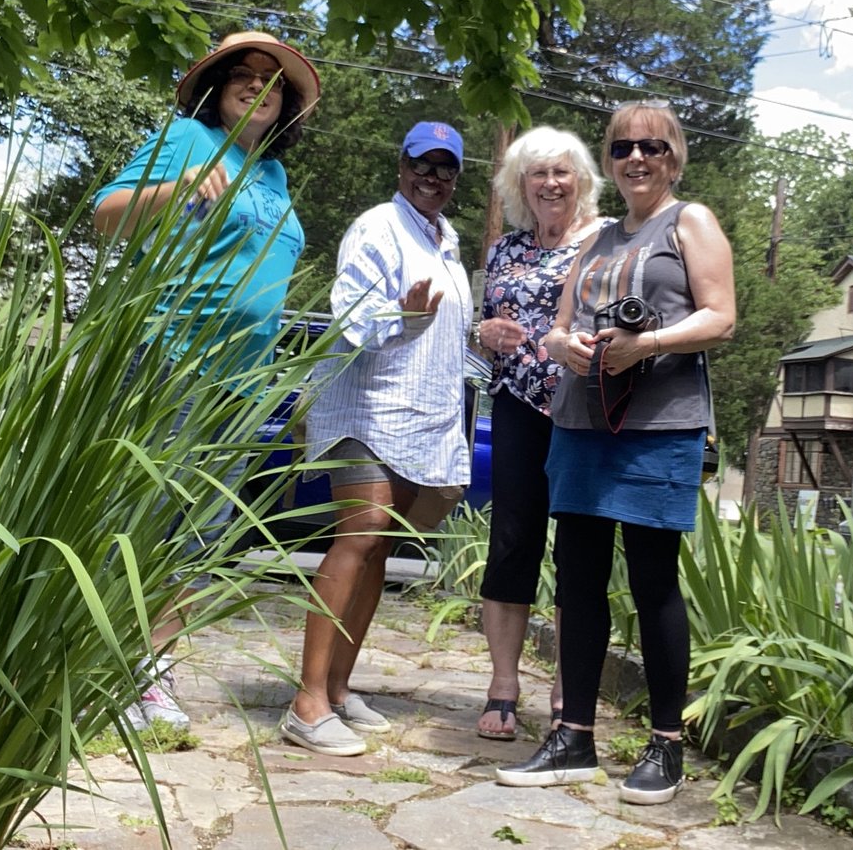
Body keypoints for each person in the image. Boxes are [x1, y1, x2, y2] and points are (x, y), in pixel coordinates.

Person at [495, 100, 735, 804]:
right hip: (581, 423)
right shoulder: (596, 238)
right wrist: (562, 344)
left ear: (674, 157)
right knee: (576, 578)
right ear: (610, 158)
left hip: (660, 425)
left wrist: (648, 344)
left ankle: (666, 745)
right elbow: (560, 326)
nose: (637, 158)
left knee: (653, 580)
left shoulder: (689, 221)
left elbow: (721, 316)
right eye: (624, 147)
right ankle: (573, 736)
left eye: (652, 147)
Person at [93, 30, 320, 731]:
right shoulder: (187, 143)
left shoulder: (274, 178)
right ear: (217, 88)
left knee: (198, 537)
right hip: (172, 362)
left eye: (274, 79)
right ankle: (105, 667)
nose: (260, 84)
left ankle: (150, 674)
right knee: (145, 523)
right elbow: (106, 218)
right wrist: (176, 190)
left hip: (243, 382)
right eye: (245, 74)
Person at [281, 121, 473, 757]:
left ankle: (337, 688)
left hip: (420, 419)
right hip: (366, 408)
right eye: (424, 163)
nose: (433, 178)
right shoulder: (376, 227)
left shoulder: (447, 242)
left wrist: (485, 339)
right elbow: (352, 313)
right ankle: (306, 704)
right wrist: (404, 318)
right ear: (401, 165)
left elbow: (446, 337)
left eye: (447, 169)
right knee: (357, 536)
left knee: (379, 552)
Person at [473, 126, 607, 741]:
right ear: (519, 184)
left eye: (561, 171)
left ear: (580, 178)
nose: (550, 183)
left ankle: (568, 688)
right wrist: (487, 334)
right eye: (537, 173)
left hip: (583, 410)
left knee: (580, 549)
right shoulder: (505, 248)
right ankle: (503, 685)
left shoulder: (608, 242)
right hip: (515, 406)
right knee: (512, 541)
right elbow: (487, 320)